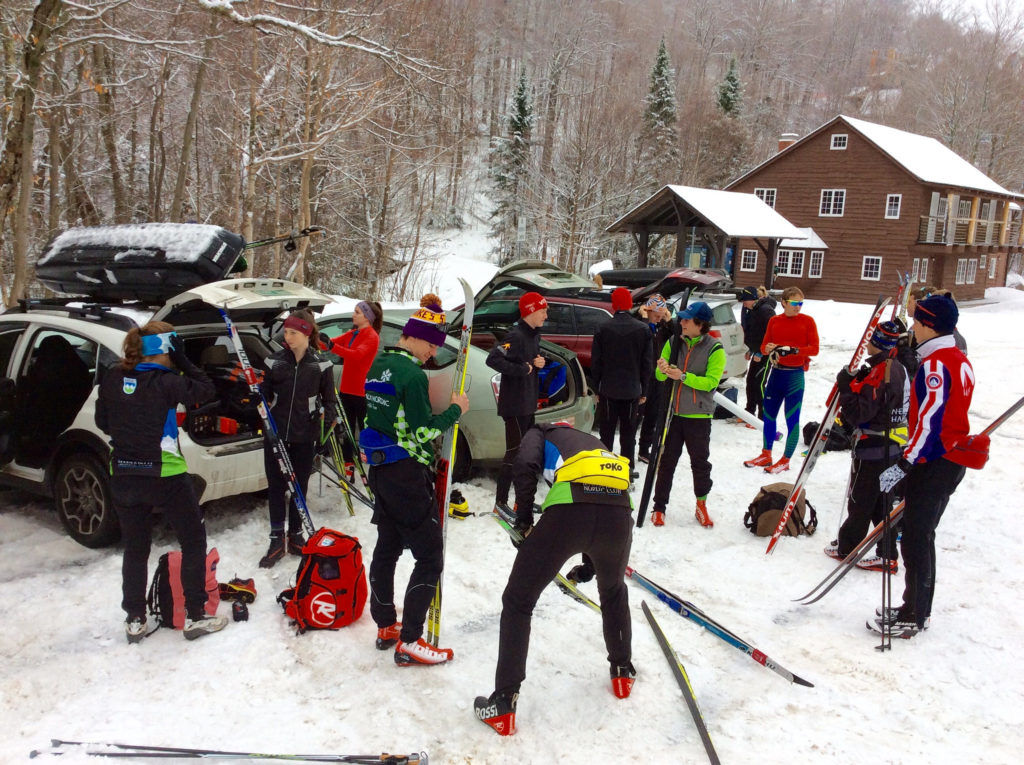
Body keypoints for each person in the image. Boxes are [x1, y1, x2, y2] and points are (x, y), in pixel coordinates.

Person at [474, 423, 635, 736]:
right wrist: (590, 565)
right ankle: (622, 672)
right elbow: (599, 498)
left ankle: (504, 702)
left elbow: (525, 464)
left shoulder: (539, 432)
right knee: (613, 590)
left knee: (518, 601)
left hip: (569, 512)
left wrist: (523, 519)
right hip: (618, 513)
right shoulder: (595, 441)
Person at [95, 321, 228, 643]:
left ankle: (135, 619)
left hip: (124, 474)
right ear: (165, 349)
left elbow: (103, 422)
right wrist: (182, 360)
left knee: (136, 548)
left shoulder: (113, 377)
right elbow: (206, 389)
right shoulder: (167, 381)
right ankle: (196, 615)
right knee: (193, 541)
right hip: (165, 474)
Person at [361, 295, 469, 666]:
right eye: (432, 344)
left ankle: (386, 624)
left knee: (387, 547)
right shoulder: (411, 374)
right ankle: (410, 639)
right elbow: (422, 431)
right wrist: (455, 410)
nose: (433, 352)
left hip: (380, 469)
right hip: (406, 473)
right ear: (417, 337)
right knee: (430, 556)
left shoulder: (380, 365)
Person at [875, 294, 974, 638]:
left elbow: (931, 423)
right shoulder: (957, 358)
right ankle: (915, 606)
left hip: (935, 461)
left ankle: (915, 612)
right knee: (920, 536)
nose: (913, 329)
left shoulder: (936, 364)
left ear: (927, 325)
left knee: (916, 538)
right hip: (946, 459)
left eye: (916, 323)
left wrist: (904, 463)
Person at [825, 320, 909, 572]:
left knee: (862, 499)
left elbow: (859, 413)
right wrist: (857, 382)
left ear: (877, 344)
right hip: (892, 444)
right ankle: (884, 551)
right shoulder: (897, 367)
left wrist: (845, 388)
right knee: (879, 501)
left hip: (875, 445)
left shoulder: (881, 372)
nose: (867, 344)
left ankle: (848, 548)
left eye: (872, 340)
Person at [258, 309, 339, 568]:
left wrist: (327, 428)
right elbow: (263, 396)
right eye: (286, 332)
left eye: (293, 333)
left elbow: (329, 400)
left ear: (306, 333)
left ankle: (295, 535)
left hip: (305, 436)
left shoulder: (322, 364)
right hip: (277, 435)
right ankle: (275, 538)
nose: (287, 337)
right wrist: (255, 396)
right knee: (276, 487)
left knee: (299, 487)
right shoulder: (273, 361)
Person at [649, 302, 725, 528]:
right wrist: (662, 369)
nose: (681, 322)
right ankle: (659, 507)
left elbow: (711, 383)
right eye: (681, 319)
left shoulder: (715, 349)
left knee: (699, 463)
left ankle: (701, 505)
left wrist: (683, 376)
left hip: (699, 417)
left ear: (700, 325)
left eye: (686, 320)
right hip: (674, 415)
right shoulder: (674, 342)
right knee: (667, 462)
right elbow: (659, 376)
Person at [744, 287, 819, 474]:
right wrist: (770, 349)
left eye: (801, 303)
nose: (798, 307)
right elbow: (764, 345)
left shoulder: (807, 321)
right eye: (794, 303)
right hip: (776, 374)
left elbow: (814, 349)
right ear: (784, 303)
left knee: (791, 418)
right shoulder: (775, 321)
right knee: (769, 415)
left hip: (794, 376)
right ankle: (766, 453)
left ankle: (785, 459)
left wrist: (794, 350)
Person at [486, 291, 547, 518]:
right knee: (514, 454)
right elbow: (493, 359)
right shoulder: (516, 335)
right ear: (531, 311)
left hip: (528, 402)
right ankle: (500, 503)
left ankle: (523, 502)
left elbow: (530, 360)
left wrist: (537, 362)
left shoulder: (534, 335)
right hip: (514, 405)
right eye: (543, 310)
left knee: (527, 454)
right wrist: (523, 369)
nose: (546, 315)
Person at [592, 287, 652, 478]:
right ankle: (627, 469)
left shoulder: (602, 328)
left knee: (607, 432)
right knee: (628, 433)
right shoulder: (643, 329)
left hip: (608, 390)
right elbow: (647, 364)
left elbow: (596, 362)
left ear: (614, 305)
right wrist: (645, 390)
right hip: (632, 390)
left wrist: (596, 388)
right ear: (629, 304)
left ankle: (605, 468)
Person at [327, 300, 383, 479]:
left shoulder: (372, 336)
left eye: (357, 312)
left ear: (367, 317)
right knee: (347, 430)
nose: (353, 315)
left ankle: (374, 466)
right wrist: (318, 339)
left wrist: (332, 347)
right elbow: (331, 343)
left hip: (362, 392)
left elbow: (357, 355)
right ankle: (348, 464)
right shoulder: (353, 333)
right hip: (346, 390)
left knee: (366, 431)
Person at [637, 294, 674, 463]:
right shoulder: (640, 325)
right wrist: (645, 320)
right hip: (641, 376)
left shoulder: (663, 328)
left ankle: (645, 449)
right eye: (656, 316)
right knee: (637, 415)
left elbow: (677, 337)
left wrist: (670, 320)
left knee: (653, 414)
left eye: (661, 316)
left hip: (658, 377)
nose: (658, 319)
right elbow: (641, 339)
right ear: (648, 311)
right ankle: (629, 450)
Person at [737, 285, 777, 421]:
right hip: (757, 352)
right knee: (750, 381)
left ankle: (763, 417)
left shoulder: (766, 311)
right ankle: (749, 412)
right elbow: (755, 333)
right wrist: (751, 350)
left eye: (745, 301)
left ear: (753, 299)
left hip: (766, 354)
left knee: (759, 383)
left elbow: (772, 333)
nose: (743, 304)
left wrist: (762, 352)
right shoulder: (752, 310)